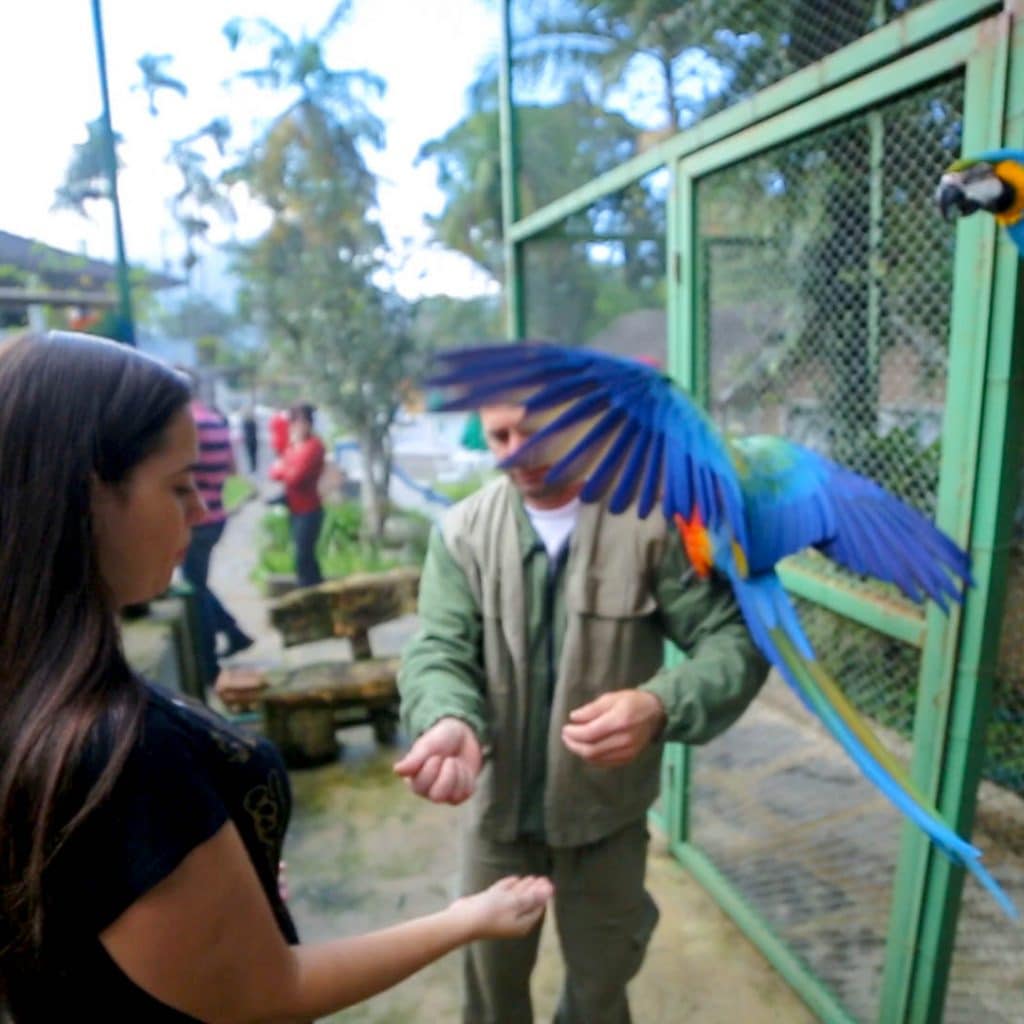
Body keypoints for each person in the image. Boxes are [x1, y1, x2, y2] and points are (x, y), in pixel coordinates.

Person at [0, 331, 553, 1022]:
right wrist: (468, 918)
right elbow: (267, 994)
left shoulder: (35, 687)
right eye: (179, 487)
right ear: (84, 496)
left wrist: (224, 880)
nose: (202, 512)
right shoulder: (121, 751)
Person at [396, 401, 770, 1024]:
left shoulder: (651, 526)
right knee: (490, 988)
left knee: (602, 983)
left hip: (607, 816)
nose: (519, 451)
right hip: (497, 814)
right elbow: (437, 650)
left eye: (538, 431)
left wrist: (659, 703)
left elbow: (733, 638)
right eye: (501, 435)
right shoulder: (461, 534)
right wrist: (448, 718)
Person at [180, 374, 253, 684]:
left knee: (194, 589)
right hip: (217, 513)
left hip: (196, 517)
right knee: (198, 584)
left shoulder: (186, 425)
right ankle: (234, 633)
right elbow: (233, 469)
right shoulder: (216, 422)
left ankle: (209, 662)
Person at [269, 402, 326, 588]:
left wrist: (285, 469)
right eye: (294, 421)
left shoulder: (313, 446)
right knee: (304, 556)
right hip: (295, 508)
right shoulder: (294, 446)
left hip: (309, 510)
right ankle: (313, 592)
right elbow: (275, 472)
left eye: (301, 421)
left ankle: (309, 591)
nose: (297, 426)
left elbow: (296, 477)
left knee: (303, 556)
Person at [242, 403, 260, 475]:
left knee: (250, 454)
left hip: (249, 440)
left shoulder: (246, 422)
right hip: (253, 439)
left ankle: (252, 467)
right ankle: (254, 466)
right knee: (253, 454)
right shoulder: (252, 422)